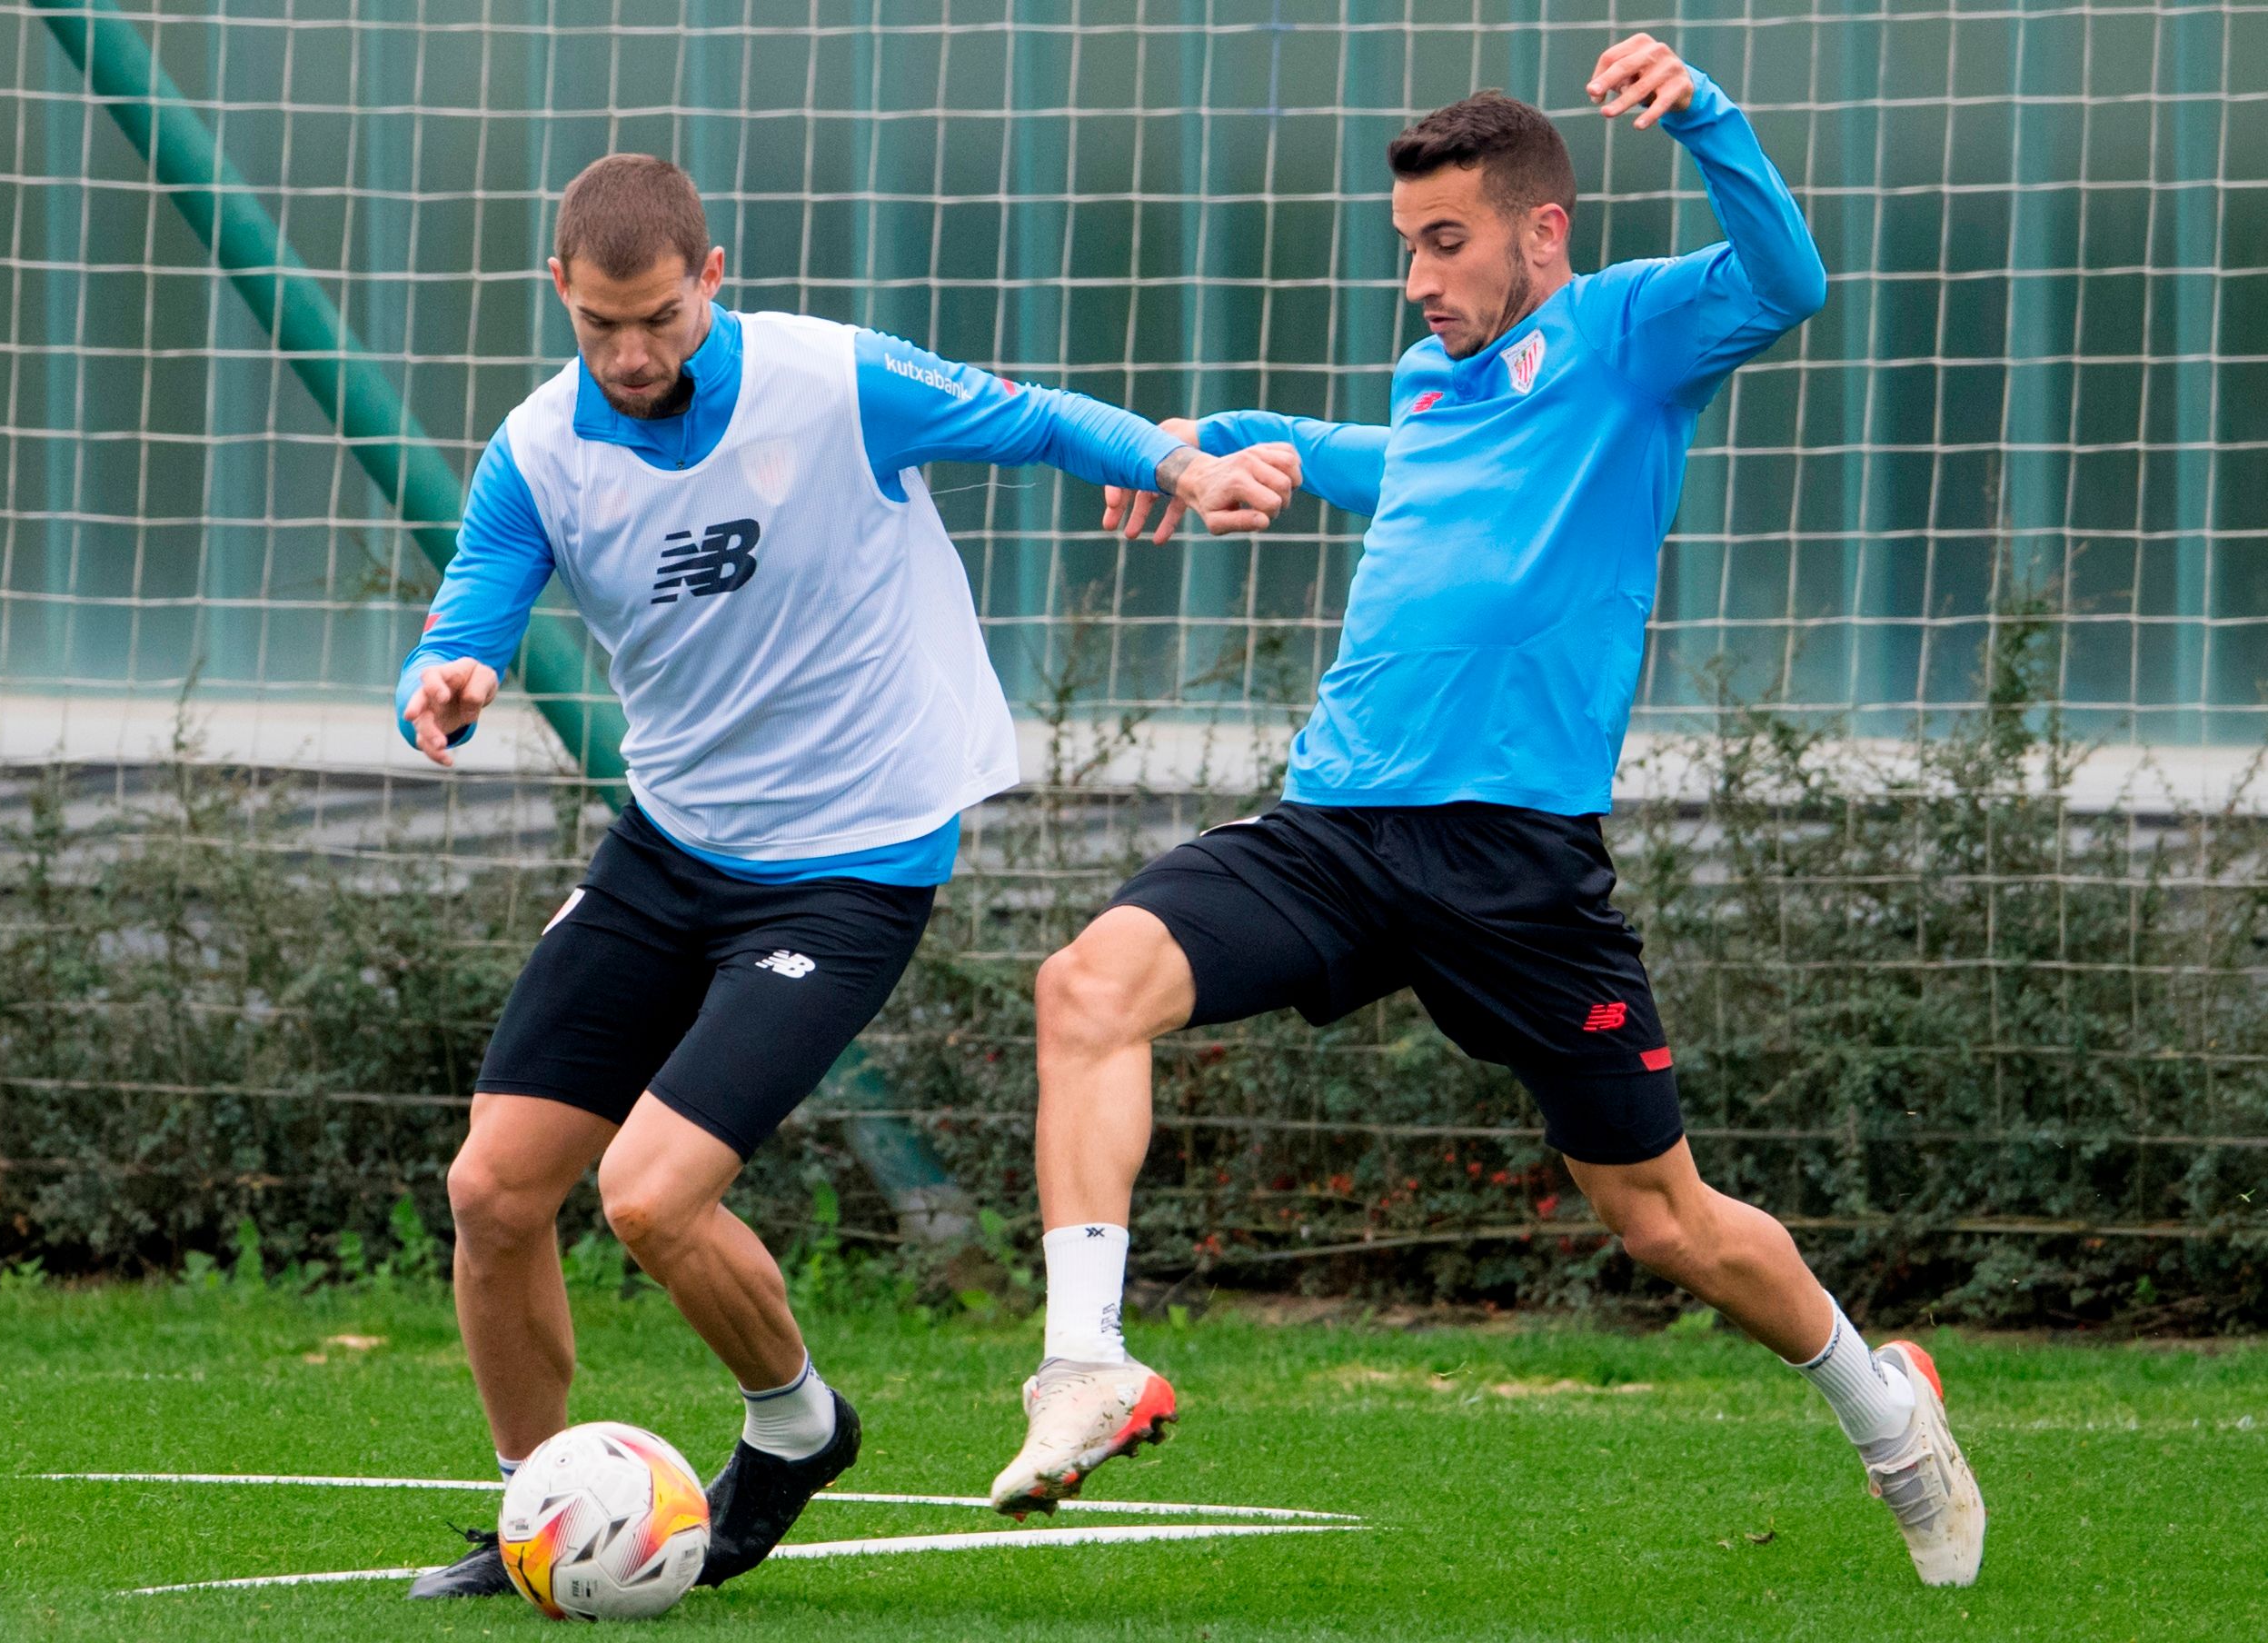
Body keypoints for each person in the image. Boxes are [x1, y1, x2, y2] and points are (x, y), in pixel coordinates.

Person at [988, 35, 1986, 1588]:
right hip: (1338, 829)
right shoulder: (1440, 379)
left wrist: (1707, 118)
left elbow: (1787, 282)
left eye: (1445, 243)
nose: (1418, 280)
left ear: (1543, 229)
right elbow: (1409, 467)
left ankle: (1887, 1409)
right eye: (1407, 247)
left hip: (1514, 865)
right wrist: (1214, 440)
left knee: (1662, 1222)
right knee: (1087, 987)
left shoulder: (1627, 338)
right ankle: (1085, 1365)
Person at [399, 153, 1301, 1598]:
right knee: (495, 1193)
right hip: (667, 851)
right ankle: (536, 1514)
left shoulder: (832, 384)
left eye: (659, 319)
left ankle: (795, 1426)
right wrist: (446, 676)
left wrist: (1179, 466)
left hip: (846, 871)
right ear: (558, 290)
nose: (631, 354)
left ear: (711, 279)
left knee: (649, 1199)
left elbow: (1033, 418)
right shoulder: (539, 449)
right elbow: (474, 607)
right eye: (600, 325)